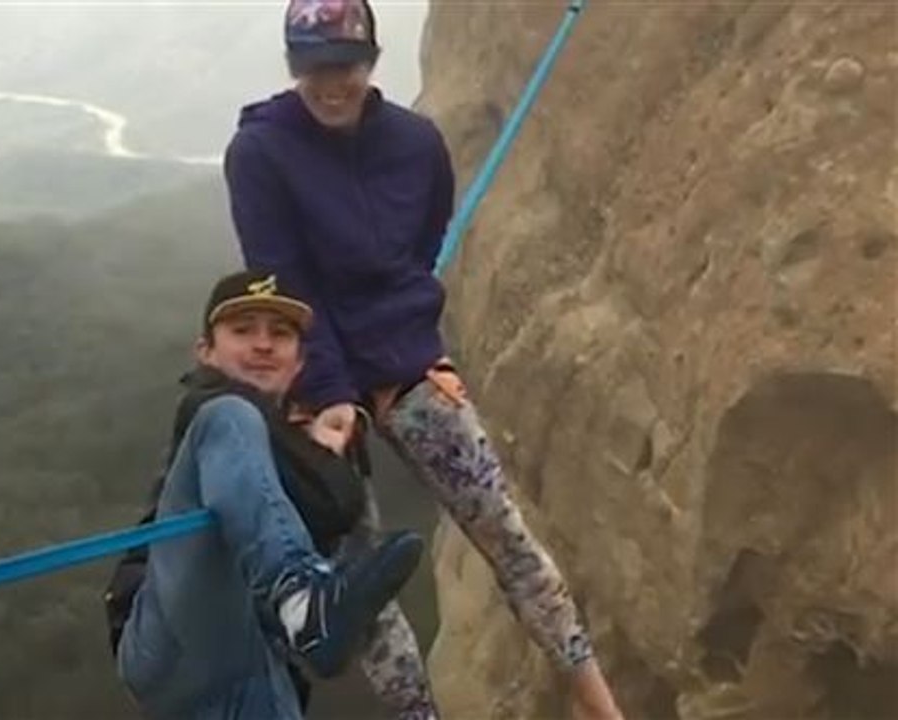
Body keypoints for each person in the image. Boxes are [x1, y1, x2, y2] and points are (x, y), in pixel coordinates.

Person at [221, 2, 626, 719]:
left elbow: (420, 245)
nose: (328, 83)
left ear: (371, 61)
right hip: (320, 386)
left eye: (342, 64)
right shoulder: (259, 153)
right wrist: (334, 393)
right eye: (310, 66)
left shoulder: (414, 144)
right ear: (291, 67)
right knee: (367, 582)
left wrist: (414, 352)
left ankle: (601, 708)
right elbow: (285, 280)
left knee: (509, 540)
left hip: (406, 367)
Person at [108, 269, 425, 720]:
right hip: (167, 630)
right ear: (205, 353)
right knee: (230, 414)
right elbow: (333, 497)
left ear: (299, 363)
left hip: (251, 657)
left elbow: (341, 503)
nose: (263, 344)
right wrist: (320, 452)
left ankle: (301, 610)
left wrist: (318, 447)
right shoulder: (207, 406)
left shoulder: (286, 441)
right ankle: (300, 599)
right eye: (242, 331)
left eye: (280, 334)